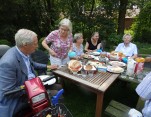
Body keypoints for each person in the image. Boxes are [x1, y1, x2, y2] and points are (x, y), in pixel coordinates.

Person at [0, 29, 58, 117]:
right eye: (35, 43)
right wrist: (32, 88)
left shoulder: (24, 52)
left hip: (33, 86)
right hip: (19, 97)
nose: (37, 46)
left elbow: (32, 64)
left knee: (57, 89)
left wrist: (48, 66)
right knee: (54, 95)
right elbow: (8, 91)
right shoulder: (8, 63)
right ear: (25, 45)